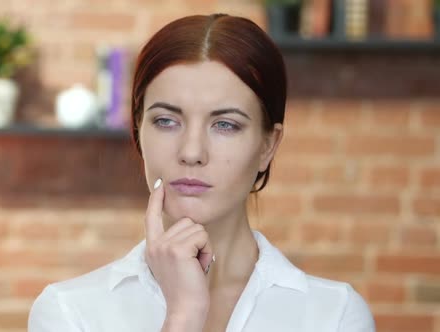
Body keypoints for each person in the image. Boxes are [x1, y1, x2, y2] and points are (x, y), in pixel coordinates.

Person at [28, 13, 375, 332]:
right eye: (166, 121)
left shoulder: (335, 316)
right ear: (138, 131)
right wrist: (183, 316)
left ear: (268, 145)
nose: (192, 152)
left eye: (225, 124)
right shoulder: (69, 313)